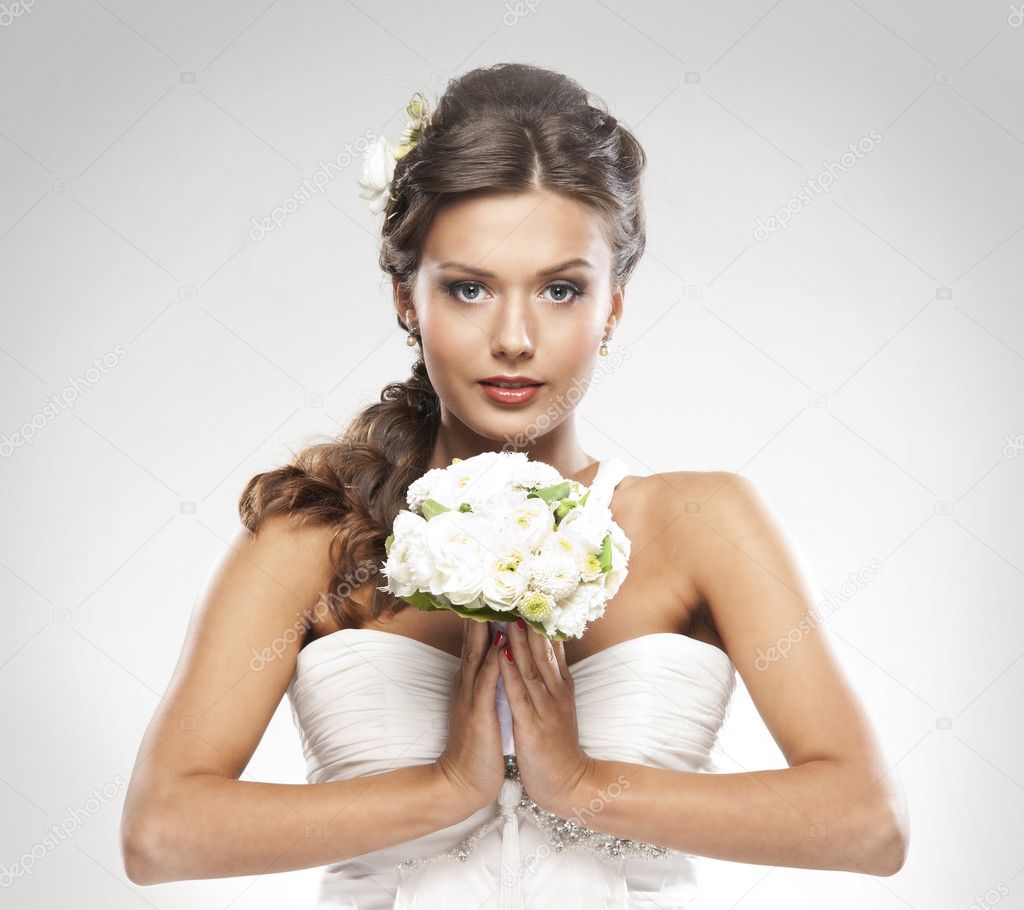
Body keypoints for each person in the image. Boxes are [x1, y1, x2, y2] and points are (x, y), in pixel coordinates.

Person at [119, 62, 909, 907]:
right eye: (468, 288)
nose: (515, 339)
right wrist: (445, 788)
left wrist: (578, 783)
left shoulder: (700, 522)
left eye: (561, 289)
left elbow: (868, 823)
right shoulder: (314, 537)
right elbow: (161, 834)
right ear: (405, 298)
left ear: (613, 306)